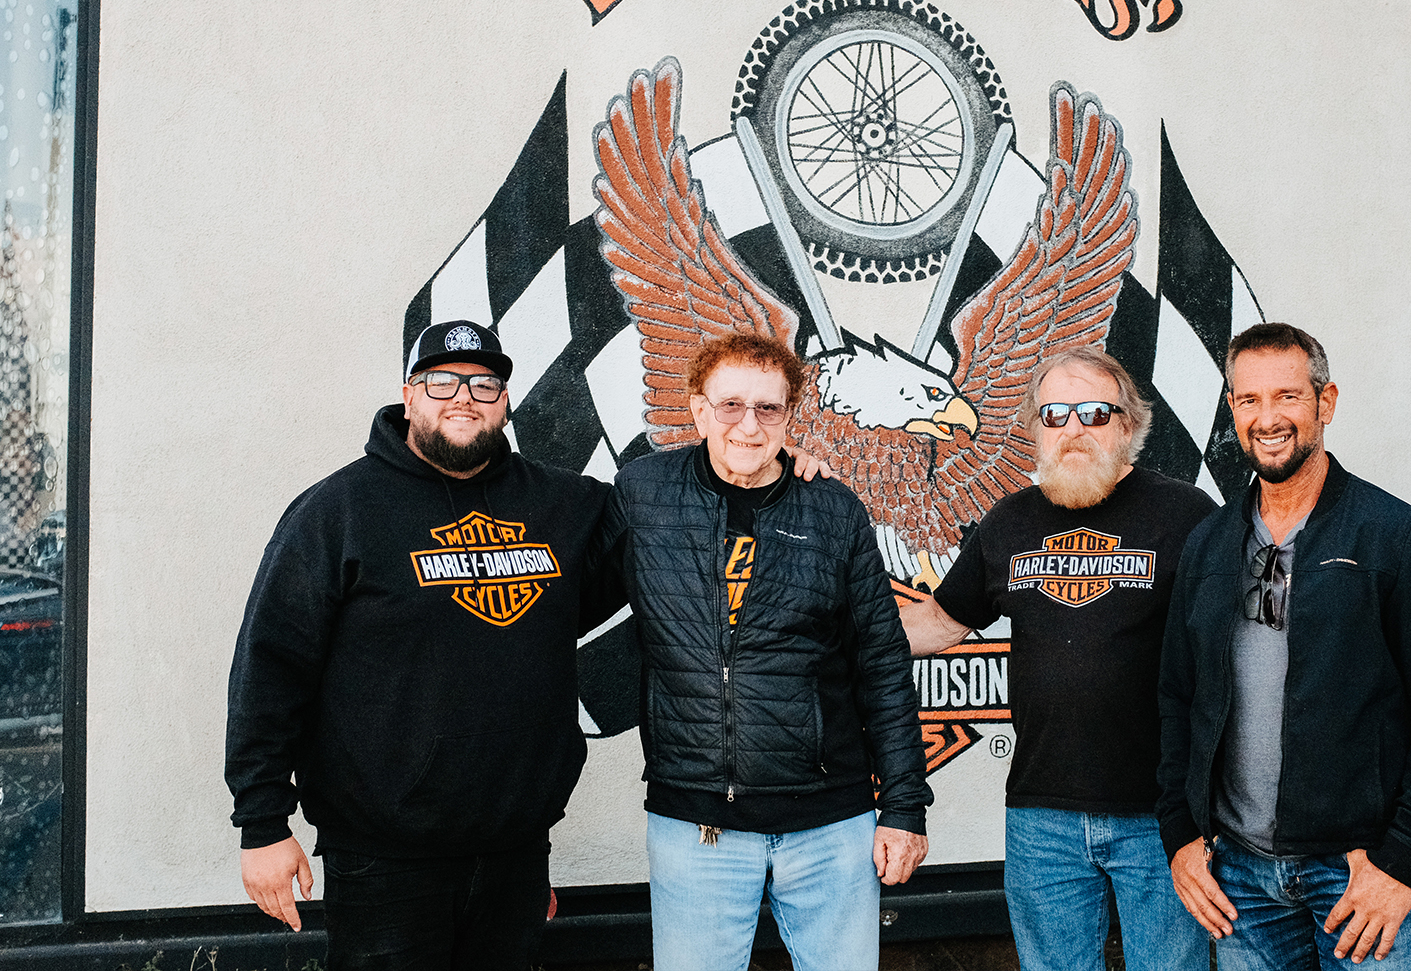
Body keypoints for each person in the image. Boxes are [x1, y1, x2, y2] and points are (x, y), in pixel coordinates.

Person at [225, 319, 629, 971]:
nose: (462, 396)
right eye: (441, 381)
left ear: (504, 401)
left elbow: (674, 515)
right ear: (408, 395)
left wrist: (776, 464)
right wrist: (262, 823)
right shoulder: (338, 511)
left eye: (483, 383)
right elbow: (270, 669)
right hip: (382, 861)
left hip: (515, 854)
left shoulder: (563, 505)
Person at [1157, 322, 1411, 970]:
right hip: (1242, 884)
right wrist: (1181, 833)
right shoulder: (1208, 545)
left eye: (1286, 395)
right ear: (1232, 409)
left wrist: (1402, 859)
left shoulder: (1396, 537)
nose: (1268, 417)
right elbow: (1177, 696)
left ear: (1325, 402)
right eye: (1249, 399)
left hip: (1358, 875)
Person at [613, 332, 933, 971]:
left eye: (769, 409)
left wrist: (903, 805)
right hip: (696, 822)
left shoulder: (833, 508)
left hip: (830, 825)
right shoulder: (642, 495)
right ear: (699, 410)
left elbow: (883, 665)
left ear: (792, 416)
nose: (749, 425)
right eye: (730, 405)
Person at [899, 346, 1217, 971]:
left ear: (1129, 425)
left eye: (1094, 412)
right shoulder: (1008, 523)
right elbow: (939, 621)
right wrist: (824, 635)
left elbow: (1230, 657)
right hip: (1042, 816)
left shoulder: (1187, 516)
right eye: (1055, 414)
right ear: (1034, 429)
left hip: (1162, 816)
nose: (1073, 429)